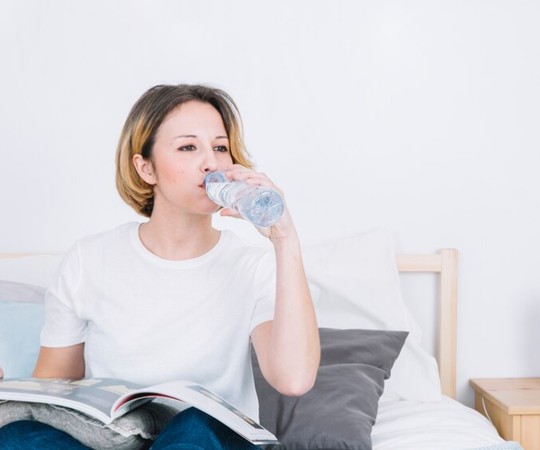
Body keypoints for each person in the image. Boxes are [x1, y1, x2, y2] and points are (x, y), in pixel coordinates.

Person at [0, 84, 320, 449]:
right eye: (188, 147)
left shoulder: (253, 265)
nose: (211, 163)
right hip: (118, 438)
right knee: (17, 436)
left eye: (220, 147)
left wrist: (284, 239)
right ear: (146, 167)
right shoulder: (88, 259)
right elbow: (54, 388)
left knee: (195, 422)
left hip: (207, 440)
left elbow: (294, 380)